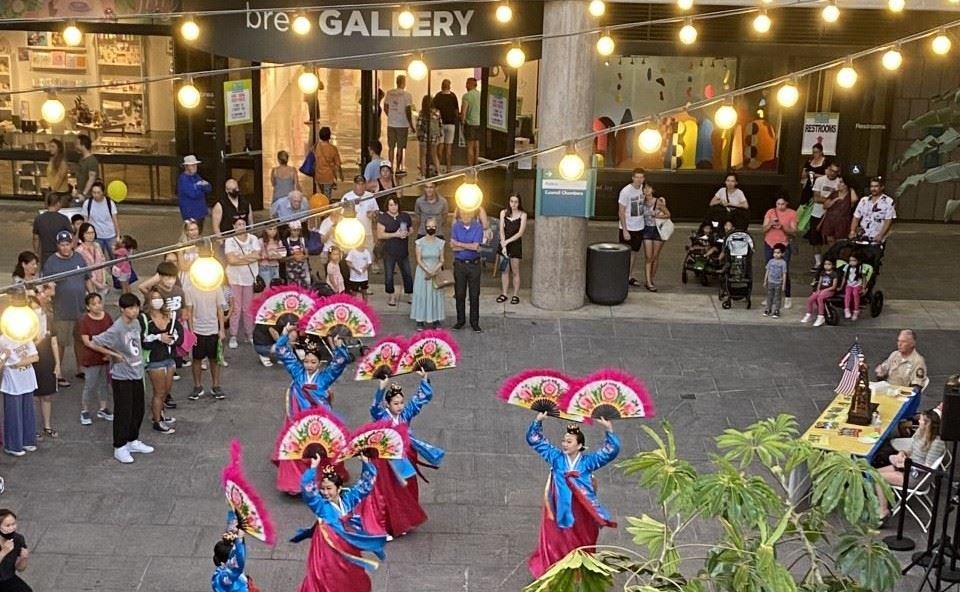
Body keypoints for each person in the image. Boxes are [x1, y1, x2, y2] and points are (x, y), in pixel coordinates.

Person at [526, 414, 619, 578]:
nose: (564, 444)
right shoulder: (556, 458)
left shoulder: (587, 462)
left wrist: (609, 429)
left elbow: (609, 452)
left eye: (569, 442)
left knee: (582, 540)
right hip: (559, 508)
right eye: (564, 441)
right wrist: (538, 421)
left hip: (581, 510)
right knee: (556, 540)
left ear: (580, 445)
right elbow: (536, 441)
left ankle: (578, 569)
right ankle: (555, 568)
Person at [359, 371, 442, 536]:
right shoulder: (381, 415)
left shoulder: (405, 414)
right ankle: (387, 525)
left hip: (404, 456)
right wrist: (381, 388)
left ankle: (404, 521)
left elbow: (419, 400)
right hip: (386, 460)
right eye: (396, 403)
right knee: (388, 493)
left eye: (401, 403)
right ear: (387, 404)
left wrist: (424, 379)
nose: (400, 406)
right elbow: (374, 407)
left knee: (406, 490)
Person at [294, 457, 387, 592]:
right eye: (323, 489)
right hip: (327, 549)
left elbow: (364, 486)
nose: (325, 493)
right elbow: (309, 493)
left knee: (351, 575)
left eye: (329, 488)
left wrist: (366, 462)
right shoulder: (321, 506)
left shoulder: (348, 500)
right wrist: (313, 468)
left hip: (347, 544)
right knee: (327, 577)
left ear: (339, 488)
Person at [88, 292, 155, 464]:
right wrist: (113, 354)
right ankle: (119, 446)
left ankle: (133, 440)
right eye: (131, 308)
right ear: (123, 309)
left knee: (138, 409)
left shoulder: (137, 323)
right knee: (124, 411)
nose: (134, 311)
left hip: (137, 371)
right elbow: (94, 342)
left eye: (136, 307)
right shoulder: (117, 328)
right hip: (122, 375)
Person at [876, 409, 943, 522]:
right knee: (874, 473)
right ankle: (882, 501)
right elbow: (911, 449)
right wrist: (902, 453)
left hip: (916, 477)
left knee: (878, 478)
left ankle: (883, 511)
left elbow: (927, 468)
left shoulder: (937, 443)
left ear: (928, 424)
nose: (919, 422)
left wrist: (906, 464)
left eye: (921, 420)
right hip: (908, 467)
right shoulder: (920, 433)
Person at [42, 230, 92, 379]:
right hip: (62, 311)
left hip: (81, 308)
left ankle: (80, 368)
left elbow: (87, 278)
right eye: (61, 245)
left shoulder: (79, 258)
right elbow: (46, 284)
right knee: (60, 343)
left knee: (80, 339)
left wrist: (93, 296)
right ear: (58, 246)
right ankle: (58, 371)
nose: (65, 247)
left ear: (72, 244)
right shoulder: (51, 262)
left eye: (67, 244)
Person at [29, 284, 61, 440]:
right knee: (33, 396)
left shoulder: (47, 317)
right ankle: (32, 428)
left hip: (47, 359)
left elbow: (54, 341)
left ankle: (47, 426)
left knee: (47, 395)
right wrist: (39, 338)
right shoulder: (24, 319)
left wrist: (58, 364)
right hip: (31, 360)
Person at [77, 292, 114, 425]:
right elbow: (87, 341)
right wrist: (105, 351)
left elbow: (112, 334)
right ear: (88, 307)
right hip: (91, 357)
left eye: (99, 303)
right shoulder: (84, 320)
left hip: (105, 357)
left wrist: (109, 351)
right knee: (90, 384)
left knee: (104, 384)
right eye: (94, 304)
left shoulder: (107, 317)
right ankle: (85, 410)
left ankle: (103, 408)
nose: (98, 306)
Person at [224, 218, 261, 349]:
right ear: (234, 226)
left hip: (249, 277)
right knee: (236, 308)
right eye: (238, 224)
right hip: (234, 277)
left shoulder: (253, 238)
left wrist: (240, 258)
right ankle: (233, 335)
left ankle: (249, 333)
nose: (241, 226)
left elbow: (257, 255)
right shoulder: (230, 240)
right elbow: (231, 260)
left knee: (248, 308)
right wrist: (248, 258)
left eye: (243, 224)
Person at [1, 332, 39, 457]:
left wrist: (17, 363)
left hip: (27, 379)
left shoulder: (26, 336)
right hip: (12, 381)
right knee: (13, 414)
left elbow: (35, 357)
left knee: (28, 412)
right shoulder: (3, 340)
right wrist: (12, 361)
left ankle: (28, 440)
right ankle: (13, 445)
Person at [761, 193, 797, 308]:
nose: (780, 206)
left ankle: (787, 296)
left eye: (782, 204)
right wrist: (771, 223)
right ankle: (769, 296)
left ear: (787, 203)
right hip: (769, 243)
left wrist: (783, 227)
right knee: (770, 269)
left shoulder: (792, 213)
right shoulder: (770, 212)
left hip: (783, 244)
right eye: (778, 204)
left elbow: (793, 231)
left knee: (784, 270)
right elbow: (763, 229)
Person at [377, 196, 414, 307]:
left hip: (403, 250)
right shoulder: (383, 218)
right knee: (389, 275)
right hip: (389, 251)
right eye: (391, 205)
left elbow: (411, 229)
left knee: (407, 273)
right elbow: (380, 234)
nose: (393, 207)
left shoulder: (405, 216)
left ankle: (410, 293)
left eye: (395, 204)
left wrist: (406, 233)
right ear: (387, 206)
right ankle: (391, 295)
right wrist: (395, 234)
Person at [451, 209, 483, 332]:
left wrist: (460, 244)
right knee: (459, 294)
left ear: (472, 214)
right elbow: (452, 246)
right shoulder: (455, 226)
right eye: (463, 214)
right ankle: (460, 321)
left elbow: (476, 246)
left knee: (474, 295)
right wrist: (467, 246)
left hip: (474, 265)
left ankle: (474, 322)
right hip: (459, 264)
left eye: (467, 214)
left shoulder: (478, 227)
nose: (465, 216)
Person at [411, 218, 445, 330]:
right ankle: (420, 320)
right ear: (425, 227)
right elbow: (419, 259)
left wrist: (434, 271)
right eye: (429, 226)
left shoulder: (440, 243)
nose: (431, 228)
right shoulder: (419, 242)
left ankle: (436, 319)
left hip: (435, 271)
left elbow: (442, 260)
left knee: (435, 295)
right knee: (421, 295)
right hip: (422, 273)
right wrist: (428, 270)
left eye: (433, 226)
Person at [807, 162, 841, 270]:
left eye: (835, 172)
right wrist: (830, 201)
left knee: (832, 239)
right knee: (815, 239)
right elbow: (816, 198)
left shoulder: (840, 182)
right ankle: (818, 262)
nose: (832, 173)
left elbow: (842, 199)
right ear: (828, 170)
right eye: (831, 170)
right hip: (817, 213)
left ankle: (832, 261)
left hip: (833, 215)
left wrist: (828, 201)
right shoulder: (820, 180)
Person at [211, 513, 257, 592]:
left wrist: (236, 517)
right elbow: (239, 563)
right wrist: (239, 539)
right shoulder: (225, 577)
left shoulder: (222, 572)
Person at [639, 184, 671, 292]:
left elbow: (668, 214)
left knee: (655, 256)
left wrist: (656, 215)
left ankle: (651, 278)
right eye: (645, 188)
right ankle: (648, 281)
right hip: (647, 229)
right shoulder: (641, 201)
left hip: (657, 230)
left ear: (653, 189)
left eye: (649, 188)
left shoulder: (658, 202)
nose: (647, 190)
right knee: (648, 256)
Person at [617, 168, 646, 287]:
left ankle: (629, 275)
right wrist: (625, 230)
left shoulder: (643, 189)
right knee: (625, 253)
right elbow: (621, 211)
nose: (639, 180)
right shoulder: (626, 191)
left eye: (641, 177)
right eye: (637, 177)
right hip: (628, 227)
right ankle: (621, 275)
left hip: (639, 226)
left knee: (634, 252)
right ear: (633, 178)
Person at [497, 195, 527, 304]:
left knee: (515, 270)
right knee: (504, 270)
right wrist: (503, 245)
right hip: (504, 243)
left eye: (516, 202)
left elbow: (520, 233)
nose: (513, 204)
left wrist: (507, 242)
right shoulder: (503, 213)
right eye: (512, 201)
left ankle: (515, 294)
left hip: (515, 244)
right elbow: (501, 230)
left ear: (519, 203)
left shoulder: (523, 215)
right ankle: (504, 293)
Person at [850, 177, 896, 243]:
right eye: (872, 186)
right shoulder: (864, 200)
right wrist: (852, 231)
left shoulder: (888, 202)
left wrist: (880, 235)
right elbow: (856, 217)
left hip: (876, 238)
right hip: (862, 236)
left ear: (882, 187)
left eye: (876, 186)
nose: (873, 189)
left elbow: (888, 221)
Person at [81, 181, 120, 260]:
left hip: (110, 235)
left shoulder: (109, 203)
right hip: (96, 237)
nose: (96, 195)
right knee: (98, 259)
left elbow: (115, 220)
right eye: (94, 192)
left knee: (114, 259)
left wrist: (118, 235)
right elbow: (85, 221)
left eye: (98, 192)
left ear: (103, 192)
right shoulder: (87, 203)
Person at [385, 75, 415, 174]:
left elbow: (385, 106)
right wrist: (411, 124)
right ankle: (397, 168)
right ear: (403, 83)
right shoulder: (407, 95)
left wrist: (390, 116)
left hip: (391, 123)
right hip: (402, 124)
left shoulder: (389, 93)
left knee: (391, 147)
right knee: (400, 147)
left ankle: (389, 167)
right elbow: (408, 110)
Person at [32, 192, 72, 265]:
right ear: (58, 203)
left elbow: (36, 238)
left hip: (45, 254)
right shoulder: (63, 219)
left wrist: (36, 252)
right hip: (62, 253)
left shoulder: (39, 219)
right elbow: (71, 236)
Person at [819, 175, 858, 246]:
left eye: (841, 182)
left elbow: (854, 200)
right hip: (831, 219)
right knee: (830, 239)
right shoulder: (834, 193)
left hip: (843, 221)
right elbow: (825, 206)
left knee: (840, 241)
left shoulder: (850, 194)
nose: (839, 184)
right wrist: (835, 200)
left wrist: (851, 188)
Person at [177, 155, 213, 231]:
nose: (195, 167)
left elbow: (208, 187)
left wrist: (198, 187)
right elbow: (193, 194)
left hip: (200, 212)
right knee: (191, 234)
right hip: (190, 214)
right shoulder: (183, 179)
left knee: (199, 232)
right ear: (186, 166)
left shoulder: (196, 176)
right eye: (192, 165)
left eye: (195, 165)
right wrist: (201, 186)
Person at [0, 509, 32, 591]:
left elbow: (20, 569)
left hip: (7, 578)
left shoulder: (18, 539)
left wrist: (23, 559)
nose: (11, 528)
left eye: (13, 524)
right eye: (7, 525)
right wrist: (3, 552)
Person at [432, 79, 459, 173]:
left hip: (441, 124)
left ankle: (438, 167)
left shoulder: (438, 96)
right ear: (449, 86)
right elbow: (456, 111)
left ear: (441, 86)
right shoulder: (453, 96)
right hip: (451, 124)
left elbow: (434, 110)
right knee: (449, 147)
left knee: (440, 146)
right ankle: (448, 168)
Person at [75, 223, 109, 298]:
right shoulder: (79, 251)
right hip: (89, 284)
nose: (90, 235)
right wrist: (97, 283)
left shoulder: (97, 245)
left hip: (101, 279)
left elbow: (103, 262)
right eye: (87, 233)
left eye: (92, 232)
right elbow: (84, 271)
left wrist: (103, 281)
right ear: (82, 234)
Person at [802, 258, 838, 327]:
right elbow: (820, 282)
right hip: (821, 290)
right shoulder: (822, 273)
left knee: (820, 298)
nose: (826, 266)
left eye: (829, 264)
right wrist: (818, 290)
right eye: (825, 264)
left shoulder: (834, 274)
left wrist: (825, 290)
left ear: (833, 265)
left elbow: (834, 286)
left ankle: (821, 316)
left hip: (830, 291)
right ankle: (808, 313)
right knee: (810, 299)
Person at [312, 127, 343, 198]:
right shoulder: (332, 149)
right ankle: (326, 207)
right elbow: (338, 164)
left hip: (318, 176)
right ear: (329, 136)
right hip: (328, 177)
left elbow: (313, 158)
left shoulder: (316, 146)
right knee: (327, 197)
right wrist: (341, 174)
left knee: (322, 195)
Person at [416, 96, 442, 179]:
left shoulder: (422, 112)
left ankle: (423, 175)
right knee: (434, 155)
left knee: (423, 156)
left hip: (424, 136)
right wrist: (439, 135)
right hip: (434, 136)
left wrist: (418, 134)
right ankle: (438, 172)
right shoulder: (437, 112)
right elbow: (440, 124)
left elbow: (419, 125)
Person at [460, 77, 481, 166]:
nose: (465, 86)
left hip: (470, 124)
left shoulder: (467, 96)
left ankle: (470, 167)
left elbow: (464, 111)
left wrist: (462, 120)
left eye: (467, 84)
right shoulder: (480, 95)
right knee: (477, 146)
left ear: (470, 84)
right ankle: (476, 165)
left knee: (470, 147)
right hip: (479, 123)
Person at [763, 244, 788, 319]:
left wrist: (784, 284)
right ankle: (768, 309)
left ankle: (777, 310)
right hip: (770, 281)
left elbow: (784, 274)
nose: (776, 254)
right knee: (769, 296)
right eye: (775, 252)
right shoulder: (770, 261)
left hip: (778, 283)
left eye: (778, 253)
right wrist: (765, 280)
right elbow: (767, 271)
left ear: (782, 254)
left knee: (777, 297)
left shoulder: (783, 263)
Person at [176, 219, 202, 284]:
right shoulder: (181, 246)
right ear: (186, 232)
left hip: (199, 276)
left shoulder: (202, 243)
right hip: (185, 277)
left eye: (196, 229)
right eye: (191, 230)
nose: (194, 232)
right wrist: (194, 261)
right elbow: (183, 267)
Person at [74, 133, 99, 199]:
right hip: (81, 193)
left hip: (88, 195)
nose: (76, 146)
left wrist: (84, 194)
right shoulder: (81, 159)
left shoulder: (91, 161)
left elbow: (91, 178)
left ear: (83, 145)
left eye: (77, 144)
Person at [842, 253, 866, 321]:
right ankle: (846, 309)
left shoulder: (861, 268)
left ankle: (856, 310)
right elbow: (844, 277)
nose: (852, 262)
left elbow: (864, 278)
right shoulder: (847, 267)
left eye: (854, 260)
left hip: (857, 285)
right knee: (847, 295)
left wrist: (864, 288)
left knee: (855, 294)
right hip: (849, 284)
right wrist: (841, 286)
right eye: (850, 260)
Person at [47, 138, 70, 203]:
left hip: (60, 192)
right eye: (50, 146)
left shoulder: (62, 162)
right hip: (52, 189)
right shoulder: (52, 159)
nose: (51, 148)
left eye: (53, 146)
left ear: (59, 148)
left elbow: (61, 178)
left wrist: (54, 190)